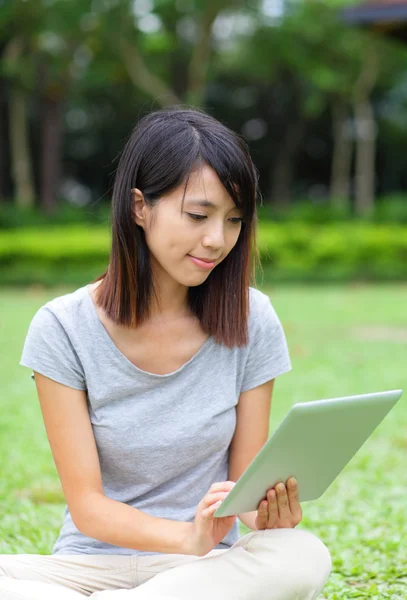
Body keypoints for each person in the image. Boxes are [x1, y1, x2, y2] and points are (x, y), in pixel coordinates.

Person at [1, 106, 332, 600]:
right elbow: (88, 505)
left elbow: (242, 489)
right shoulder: (62, 327)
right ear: (140, 207)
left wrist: (265, 513)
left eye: (234, 220)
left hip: (205, 572)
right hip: (89, 568)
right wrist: (185, 537)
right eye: (198, 215)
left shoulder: (251, 318)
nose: (217, 240)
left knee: (304, 555)